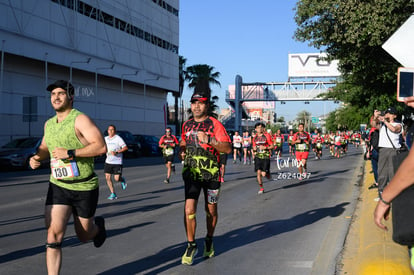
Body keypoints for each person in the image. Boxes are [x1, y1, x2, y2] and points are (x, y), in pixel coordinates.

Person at [29, 80, 107, 275]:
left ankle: (98, 230)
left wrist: (71, 153)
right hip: (59, 186)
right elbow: (46, 148)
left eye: (61, 93)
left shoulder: (80, 119)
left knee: (83, 235)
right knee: (53, 235)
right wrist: (37, 158)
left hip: (84, 187)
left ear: (71, 97)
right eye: (53, 94)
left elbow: (100, 146)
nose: (56, 97)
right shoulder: (49, 124)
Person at [179, 92, 232, 265]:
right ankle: (191, 244)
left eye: (200, 103)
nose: (196, 106)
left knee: (211, 211)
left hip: (212, 175)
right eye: (194, 103)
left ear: (206, 106)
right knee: (189, 209)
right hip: (192, 174)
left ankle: (209, 239)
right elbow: (183, 142)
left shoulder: (215, 124)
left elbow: (227, 148)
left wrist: (209, 139)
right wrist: (181, 150)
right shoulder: (186, 125)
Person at [373, 107, 402, 194]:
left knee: (392, 172)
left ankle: (393, 192)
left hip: (393, 150)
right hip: (383, 150)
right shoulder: (383, 125)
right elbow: (374, 124)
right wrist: (375, 117)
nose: (387, 115)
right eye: (386, 113)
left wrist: (385, 121)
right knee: (382, 171)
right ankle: (382, 191)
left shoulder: (398, 125)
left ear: (394, 115)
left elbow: (394, 129)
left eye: (389, 113)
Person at [104, 124, 128, 200]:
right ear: (107, 131)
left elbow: (125, 148)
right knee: (107, 177)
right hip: (108, 161)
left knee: (116, 179)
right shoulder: (105, 139)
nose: (110, 131)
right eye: (109, 130)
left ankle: (122, 179)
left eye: (112, 130)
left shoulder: (118, 138)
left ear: (115, 131)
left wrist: (117, 152)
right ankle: (113, 193)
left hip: (117, 162)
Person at [252, 122, 274, 194]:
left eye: (261, 127)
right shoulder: (254, 138)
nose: (259, 129)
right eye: (258, 127)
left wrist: (265, 147)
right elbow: (254, 147)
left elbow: (272, 146)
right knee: (258, 173)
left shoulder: (267, 136)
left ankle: (267, 172)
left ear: (263, 128)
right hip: (258, 157)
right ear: (255, 129)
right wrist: (254, 149)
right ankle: (261, 188)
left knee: (263, 174)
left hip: (265, 156)